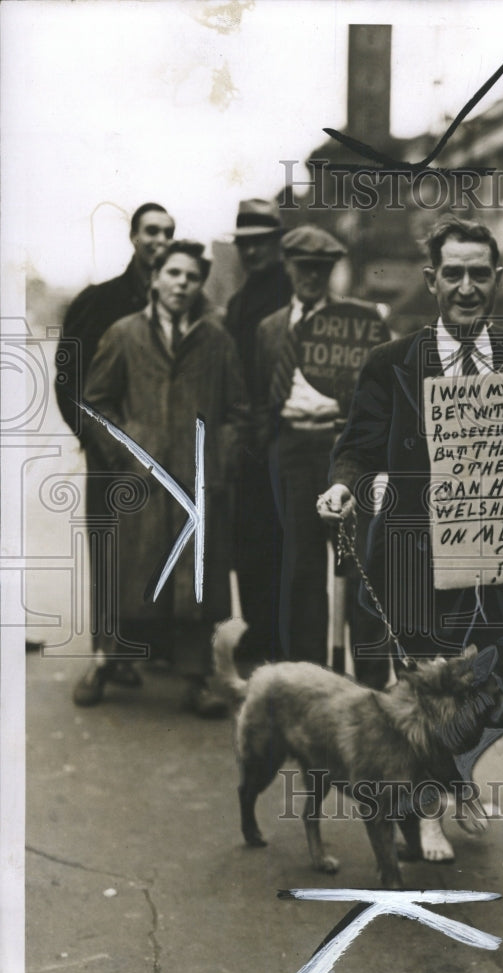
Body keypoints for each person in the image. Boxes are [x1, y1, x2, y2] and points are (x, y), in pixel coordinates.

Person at [318, 216, 503, 851]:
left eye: (478, 273)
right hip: (417, 557)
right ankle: (426, 808)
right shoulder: (392, 362)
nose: (465, 286)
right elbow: (358, 447)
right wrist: (343, 487)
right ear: (431, 280)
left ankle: (457, 768)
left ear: (497, 280)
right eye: (452, 273)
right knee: (430, 697)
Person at [73, 240, 249, 717]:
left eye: (192, 277)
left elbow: (237, 409)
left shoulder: (216, 340)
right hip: (143, 481)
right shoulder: (124, 334)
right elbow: (95, 404)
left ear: (199, 284)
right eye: (173, 273)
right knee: (128, 573)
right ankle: (105, 662)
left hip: (197, 482)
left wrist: (221, 460)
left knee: (193, 584)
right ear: (154, 278)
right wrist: (124, 453)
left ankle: (196, 680)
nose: (182, 283)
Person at [254, 225, 390, 687]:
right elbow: (261, 398)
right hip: (291, 447)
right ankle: (311, 686)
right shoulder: (271, 328)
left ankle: (371, 685)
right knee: (302, 570)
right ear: (288, 268)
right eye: (302, 268)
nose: (311, 277)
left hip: (344, 446)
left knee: (361, 571)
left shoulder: (359, 323)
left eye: (320, 269)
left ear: (331, 271)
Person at [55, 203, 176, 683]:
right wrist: (94, 438)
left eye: (168, 232)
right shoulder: (97, 302)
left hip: (162, 453)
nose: (159, 240)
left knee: (159, 546)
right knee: (108, 550)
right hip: (110, 453)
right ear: (132, 237)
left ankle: (152, 647)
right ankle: (108, 656)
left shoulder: (180, 299)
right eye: (150, 231)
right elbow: (69, 378)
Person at [224, 199, 292, 664]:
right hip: (246, 433)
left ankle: (280, 633)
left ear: (276, 244)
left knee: (284, 538)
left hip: (284, 429)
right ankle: (258, 627)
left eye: (260, 243)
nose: (252, 253)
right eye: (245, 245)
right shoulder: (238, 301)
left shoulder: (293, 294)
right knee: (249, 538)